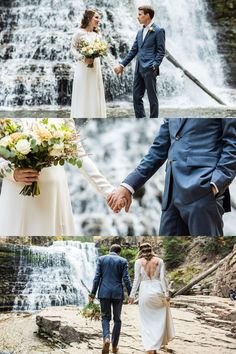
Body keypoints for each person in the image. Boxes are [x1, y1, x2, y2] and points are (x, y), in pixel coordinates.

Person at [108, 118, 236, 236]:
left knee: (208, 248)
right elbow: (158, 150)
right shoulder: (175, 102)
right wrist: (128, 186)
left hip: (204, 191)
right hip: (171, 195)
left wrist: (216, 183)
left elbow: (233, 143)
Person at [0, 118, 114, 236]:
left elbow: (80, 156)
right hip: (16, 192)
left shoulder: (64, 117)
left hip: (53, 193)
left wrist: (108, 191)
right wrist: (11, 173)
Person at [114, 5, 165, 118]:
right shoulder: (139, 32)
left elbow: (161, 51)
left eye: (140, 14)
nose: (138, 17)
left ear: (147, 15)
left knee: (152, 98)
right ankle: (141, 120)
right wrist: (122, 65)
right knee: (136, 97)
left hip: (150, 68)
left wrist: (155, 65)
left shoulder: (158, 30)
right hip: (138, 68)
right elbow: (133, 51)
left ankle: (153, 120)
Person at [129, 243, 175, 354]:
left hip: (144, 293)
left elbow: (136, 280)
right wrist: (166, 292)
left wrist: (131, 295)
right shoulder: (159, 261)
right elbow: (163, 278)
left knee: (146, 322)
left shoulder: (138, 262)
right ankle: (155, 345)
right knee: (158, 320)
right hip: (157, 291)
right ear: (151, 249)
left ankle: (150, 348)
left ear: (140, 251)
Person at [89, 244, 132, 354]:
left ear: (110, 251)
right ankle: (114, 346)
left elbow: (97, 277)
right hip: (118, 293)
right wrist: (131, 293)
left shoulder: (101, 259)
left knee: (105, 318)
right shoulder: (123, 261)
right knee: (117, 319)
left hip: (104, 292)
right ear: (119, 252)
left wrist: (92, 293)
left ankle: (106, 338)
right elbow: (126, 279)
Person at [71, 9, 106, 118]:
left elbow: (104, 51)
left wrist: (115, 66)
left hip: (95, 67)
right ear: (88, 18)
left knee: (94, 92)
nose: (98, 20)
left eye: (99, 18)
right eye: (96, 17)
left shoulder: (97, 35)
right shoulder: (79, 33)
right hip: (83, 67)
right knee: (83, 91)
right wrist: (83, 58)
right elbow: (72, 49)